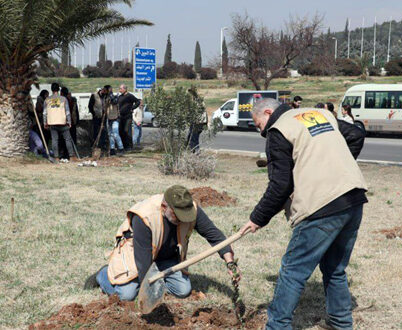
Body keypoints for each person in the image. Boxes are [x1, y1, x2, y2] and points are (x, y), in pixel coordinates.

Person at [239, 98, 368, 330]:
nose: (262, 132)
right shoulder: (320, 114)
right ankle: (340, 323)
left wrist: (257, 218)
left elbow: (280, 186)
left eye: (259, 125)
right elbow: (356, 135)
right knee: (335, 268)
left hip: (321, 207)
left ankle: (277, 326)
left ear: (268, 112)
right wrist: (334, 170)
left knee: (292, 270)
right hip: (354, 197)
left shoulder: (278, 130)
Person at [84, 185, 241, 301]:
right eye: (178, 215)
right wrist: (148, 293)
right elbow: (143, 263)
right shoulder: (144, 216)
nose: (183, 219)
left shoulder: (189, 209)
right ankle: (103, 274)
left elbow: (216, 237)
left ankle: (158, 277)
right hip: (136, 255)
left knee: (183, 290)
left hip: (166, 258)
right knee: (127, 295)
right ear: (165, 207)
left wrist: (230, 264)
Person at [43, 82, 75, 161]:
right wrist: (69, 122)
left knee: (54, 140)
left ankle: (56, 157)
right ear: (58, 89)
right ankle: (71, 156)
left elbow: (44, 113)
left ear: (51, 89)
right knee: (67, 139)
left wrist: (44, 123)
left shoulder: (47, 100)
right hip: (63, 122)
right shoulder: (64, 99)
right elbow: (67, 112)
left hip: (52, 122)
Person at [117, 84, 141, 151]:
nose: (120, 90)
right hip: (121, 116)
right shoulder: (120, 96)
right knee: (121, 131)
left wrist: (132, 108)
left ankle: (129, 146)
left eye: (121, 89)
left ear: (125, 89)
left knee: (127, 131)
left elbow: (137, 101)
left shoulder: (129, 96)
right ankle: (123, 146)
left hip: (128, 116)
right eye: (119, 89)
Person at [187, 88, 207, 153]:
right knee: (193, 137)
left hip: (196, 123)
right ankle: (195, 151)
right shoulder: (200, 101)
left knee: (193, 138)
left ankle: (196, 152)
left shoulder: (195, 102)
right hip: (201, 123)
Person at [88, 86, 109, 152]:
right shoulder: (94, 96)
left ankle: (102, 145)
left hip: (104, 117)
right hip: (97, 116)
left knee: (103, 131)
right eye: (103, 91)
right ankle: (95, 144)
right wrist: (94, 114)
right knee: (96, 131)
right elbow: (90, 106)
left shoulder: (106, 96)